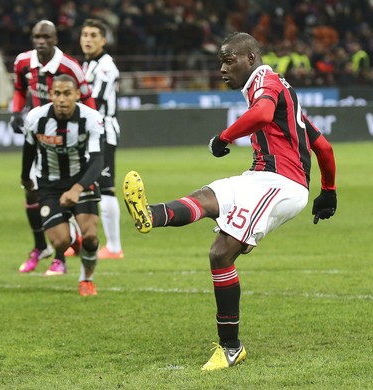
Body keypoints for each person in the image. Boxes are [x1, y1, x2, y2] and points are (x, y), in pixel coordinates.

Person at [123, 32, 337, 370]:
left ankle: (231, 347)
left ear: (250, 58)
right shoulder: (287, 97)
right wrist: (329, 192)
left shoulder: (264, 81)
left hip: (281, 183)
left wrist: (223, 138)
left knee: (220, 253)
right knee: (208, 197)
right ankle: (151, 214)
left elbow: (263, 114)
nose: (222, 68)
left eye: (228, 60)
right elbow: (323, 147)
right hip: (260, 178)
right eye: (221, 61)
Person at [11, 20, 97, 276]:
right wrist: (16, 112)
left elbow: (87, 96)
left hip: (67, 137)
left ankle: (60, 256)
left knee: (57, 188)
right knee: (30, 193)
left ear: (55, 38)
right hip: (39, 134)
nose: (40, 41)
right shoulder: (22, 62)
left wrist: (87, 127)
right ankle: (40, 247)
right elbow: (18, 89)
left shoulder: (70, 67)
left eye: (46, 37)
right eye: (36, 36)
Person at [20, 74, 105, 296]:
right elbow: (29, 149)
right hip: (49, 184)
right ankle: (71, 237)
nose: (62, 99)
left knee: (92, 236)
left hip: (81, 179)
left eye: (67, 93)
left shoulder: (91, 118)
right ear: (51, 95)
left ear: (77, 95)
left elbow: (98, 160)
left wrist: (77, 188)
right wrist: (25, 177)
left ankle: (86, 279)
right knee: (60, 242)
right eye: (57, 93)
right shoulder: (36, 118)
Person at [79, 18, 123, 259]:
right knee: (84, 185)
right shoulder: (86, 66)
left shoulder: (106, 66)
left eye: (93, 35)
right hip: (87, 132)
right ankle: (80, 238)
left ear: (103, 40)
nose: (88, 39)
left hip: (103, 130)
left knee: (106, 188)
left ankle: (114, 248)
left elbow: (93, 102)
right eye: (85, 34)